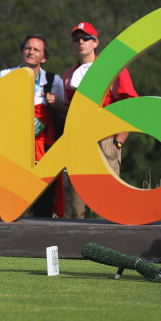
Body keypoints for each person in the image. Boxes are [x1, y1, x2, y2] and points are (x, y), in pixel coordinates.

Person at [62, 21, 138, 219]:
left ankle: (109, 249)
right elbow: (71, 111)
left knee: (108, 206)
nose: (81, 42)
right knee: (78, 209)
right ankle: (78, 249)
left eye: (86, 38)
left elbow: (130, 105)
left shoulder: (113, 68)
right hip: (80, 141)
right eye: (76, 39)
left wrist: (119, 141)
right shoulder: (68, 76)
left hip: (106, 138)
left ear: (95, 43)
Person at [0, 35, 66, 217]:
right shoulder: (5, 75)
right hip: (14, 149)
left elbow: (65, 112)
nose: (31, 52)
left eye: (36, 50)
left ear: (44, 58)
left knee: (43, 203)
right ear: (21, 52)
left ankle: (43, 242)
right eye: (28, 48)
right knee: (7, 199)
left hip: (43, 150)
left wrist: (56, 103)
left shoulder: (53, 80)